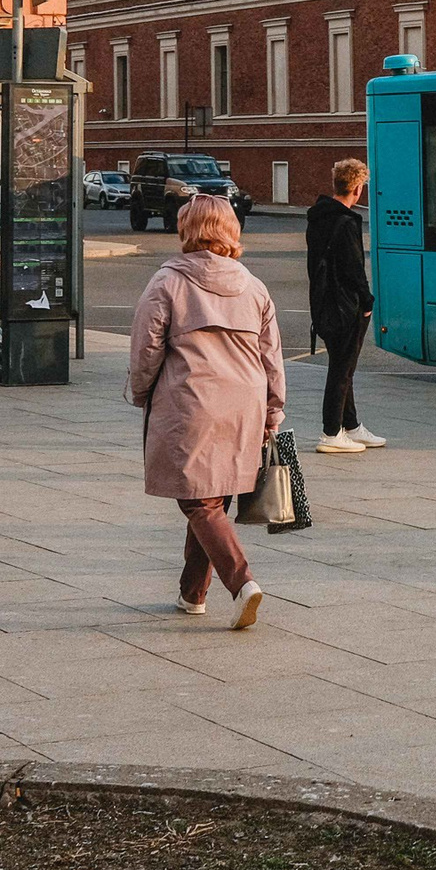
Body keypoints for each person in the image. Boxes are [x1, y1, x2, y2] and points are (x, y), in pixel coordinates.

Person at [128, 195, 283, 629]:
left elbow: (146, 348)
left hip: (192, 400)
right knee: (213, 496)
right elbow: (272, 355)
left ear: (186, 231)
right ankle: (192, 594)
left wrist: (142, 392)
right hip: (245, 404)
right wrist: (273, 410)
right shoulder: (254, 286)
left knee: (198, 499)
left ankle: (242, 582)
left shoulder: (168, 282)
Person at [306, 158, 379, 455]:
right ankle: (331, 432)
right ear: (357, 188)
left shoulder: (318, 217)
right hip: (346, 306)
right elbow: (353, 269)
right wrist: (367, 300)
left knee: (342, 365)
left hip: (323, 303)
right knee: (341, 369)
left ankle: (351, 426)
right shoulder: (346, 222)